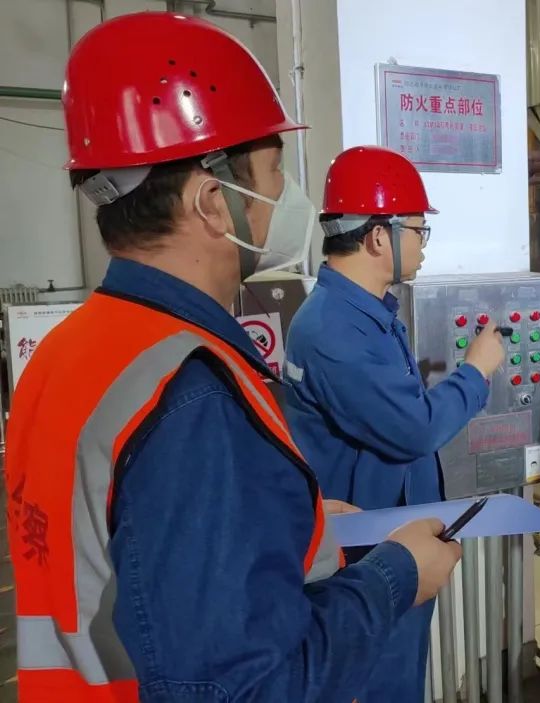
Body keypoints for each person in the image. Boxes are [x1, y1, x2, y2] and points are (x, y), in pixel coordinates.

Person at [4, 14, 462, 702]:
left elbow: (136, 549)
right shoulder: (190, 393)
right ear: (213, 201)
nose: (287, 196)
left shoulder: (71, 350)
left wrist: (297, 522)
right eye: (274, 171)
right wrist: (397, 575)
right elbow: (251, 684)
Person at [283, 145, 506, 703]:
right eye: (418, 230)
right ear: (379, 237)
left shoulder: (366, 313)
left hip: (390, 538)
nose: (423, 244)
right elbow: (414, 429)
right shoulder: (334, 329)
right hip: (364, 557)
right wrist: (476, 371)